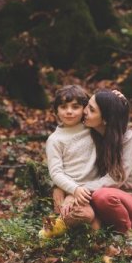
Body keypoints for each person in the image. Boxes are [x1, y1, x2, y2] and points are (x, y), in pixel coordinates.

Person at [71, 89, 132, 234]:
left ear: (106, 119)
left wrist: (78, 189)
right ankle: (97, 240)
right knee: (78, 208)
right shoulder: (91, 134)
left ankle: (126, 237)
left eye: (92, 110)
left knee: (103, 196)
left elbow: (116, 179)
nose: (85, 111)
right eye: (87, 106)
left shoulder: (130, 138)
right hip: (97, 200)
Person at [39, 85, 98, 238]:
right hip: (72, 190)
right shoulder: (55, 140)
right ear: (56, 110)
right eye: (63, 107)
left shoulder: (94, 130)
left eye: (75, 107)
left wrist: (120, 98)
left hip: (97, 188)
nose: (69, 111)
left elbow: (114, 116)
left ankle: (63, 229)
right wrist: (73, 190)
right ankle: (51, 230)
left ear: (85, 109)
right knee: (85, 215)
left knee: (96, 226)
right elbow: (56, 172)